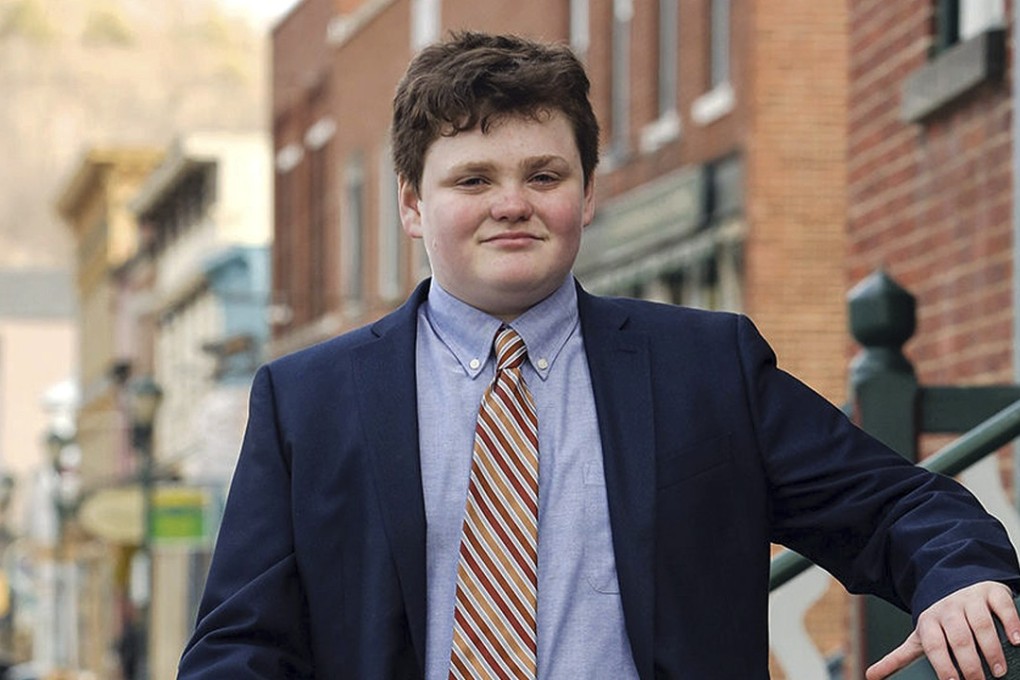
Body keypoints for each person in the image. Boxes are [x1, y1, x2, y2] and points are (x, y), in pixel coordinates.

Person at [177, 32, 1020, 680]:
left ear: (588, 191)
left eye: (544, 174)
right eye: (473, 180)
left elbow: (893, 506)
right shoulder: (308, 401)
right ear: (411, 204)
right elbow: (242, 643)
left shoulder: (705, 370)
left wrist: (959, 576)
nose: (513, 205)